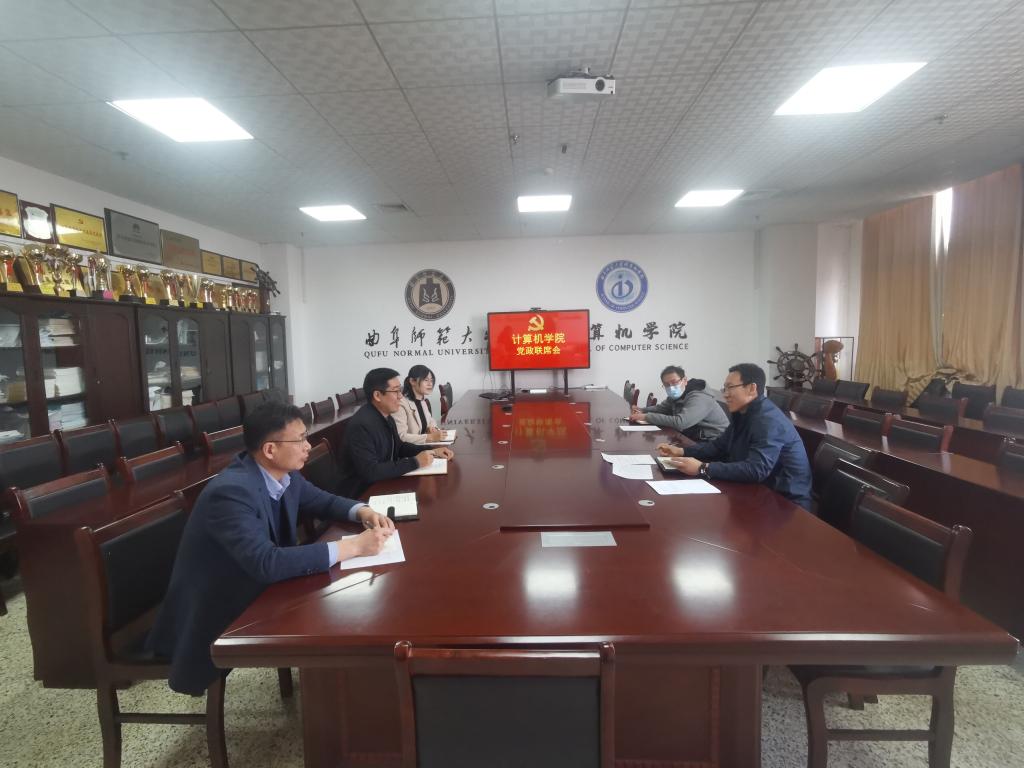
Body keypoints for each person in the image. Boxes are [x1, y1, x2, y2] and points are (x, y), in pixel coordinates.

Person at [147, 401, 395, 695]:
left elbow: (324, 501)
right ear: (269, 450)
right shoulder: (230, 492)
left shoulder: (283, 475)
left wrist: (363, 511)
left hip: (258, 587)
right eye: (300, 439)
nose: (308, 446)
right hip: (217, 611)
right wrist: (353, 547)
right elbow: (267, 562)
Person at [657, 363, 812, 509]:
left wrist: (703, 468)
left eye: (730, 388)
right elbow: (719, 446)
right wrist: (682, 451)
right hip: (755, 491)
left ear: (751, 388)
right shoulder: (742, 413)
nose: (725, 394)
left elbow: (756, 469)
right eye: (724, 388)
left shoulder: (768, 421)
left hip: (785, 504)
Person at [337, 367, 454, 498]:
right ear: (377, 395)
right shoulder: (361, 426)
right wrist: (415, 462)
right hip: (362, 494)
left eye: (400, 390)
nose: (400, 396)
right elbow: (370, 471)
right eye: (395, 391)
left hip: (383, 484)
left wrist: (432, 451)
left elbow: (399, 447)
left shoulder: (386, 415)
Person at [630, 365, 729, 441]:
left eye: (674, 382)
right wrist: (642, 410)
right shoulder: (678, 394)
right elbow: (661, 408)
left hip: (713, 441)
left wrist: (646, 417)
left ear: (684, 380)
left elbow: (681, 422)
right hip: (691, 436)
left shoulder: (699, 396)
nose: (671, 387)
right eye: (667, 385)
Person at [394, 364, 445, 444]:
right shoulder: (401, 404)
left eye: (431, 380)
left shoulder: (422, 400)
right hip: (410, 450)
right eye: (426, 380)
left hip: (422, 446)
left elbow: (430, 420)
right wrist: (430, 437)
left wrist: (431, 428)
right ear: (412, 381)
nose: (430, 384)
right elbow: (401, 436)